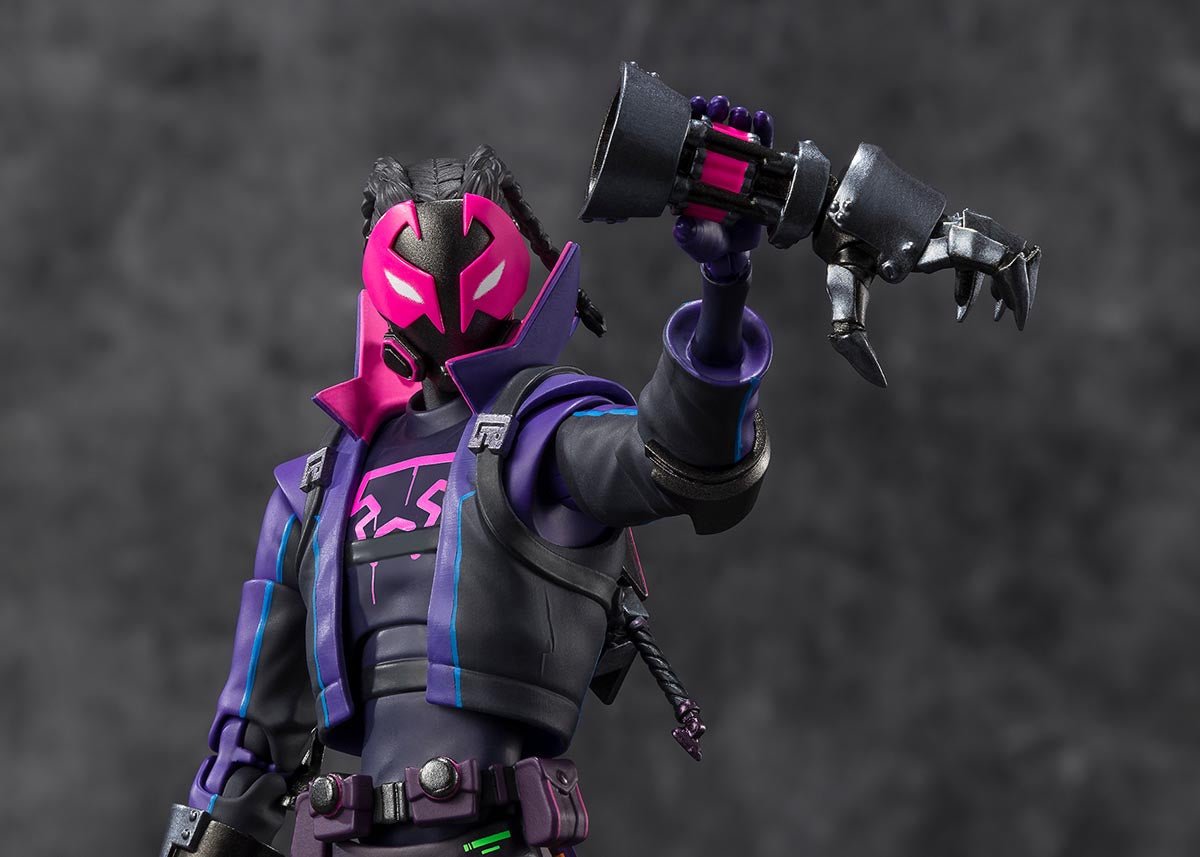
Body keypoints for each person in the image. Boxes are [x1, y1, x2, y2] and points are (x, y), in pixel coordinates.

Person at [161, 98, 775, 857]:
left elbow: (682, 454)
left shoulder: (543, 437)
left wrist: (724, 286)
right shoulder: (315, 491)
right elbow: (251, 743)